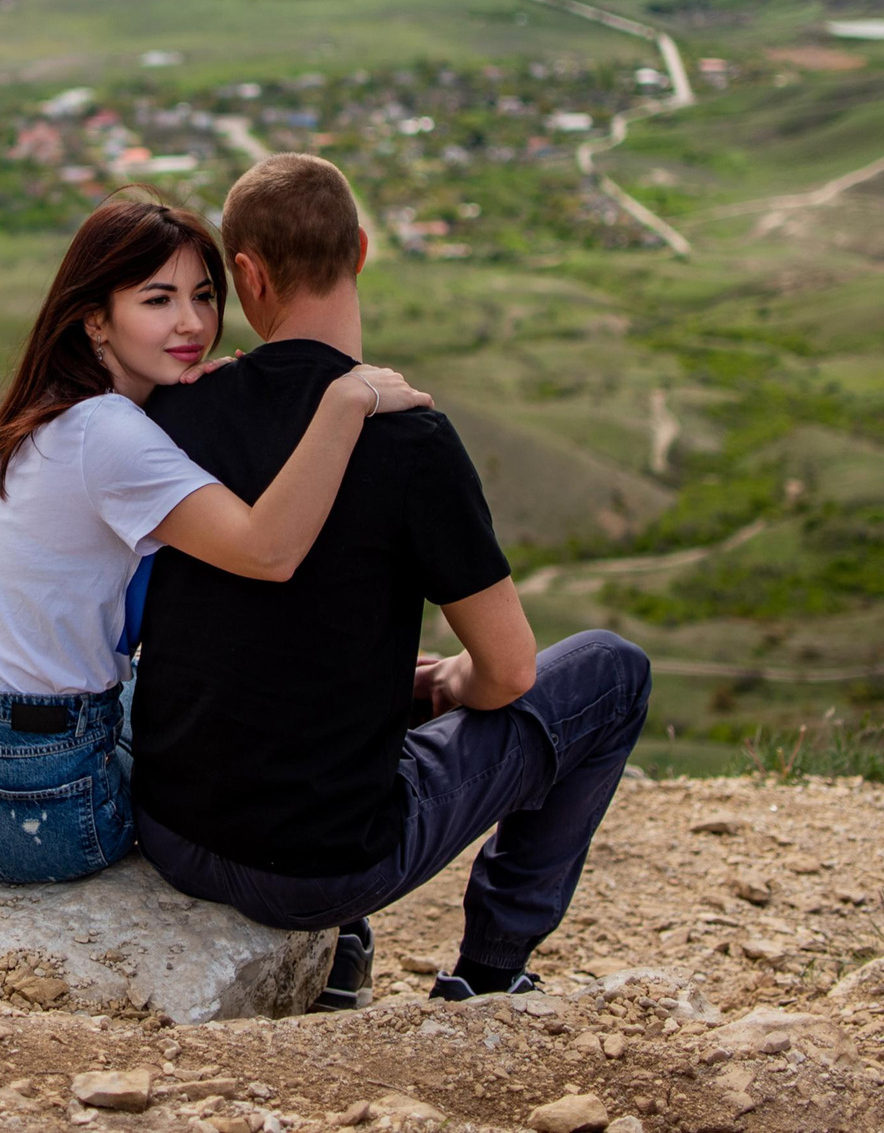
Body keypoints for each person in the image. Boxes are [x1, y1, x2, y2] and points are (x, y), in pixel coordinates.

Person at [132, 153, 651, 1006]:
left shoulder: (179, 406)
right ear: (362, 251)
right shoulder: (411, 438)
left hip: (171, 831)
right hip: (319, 870)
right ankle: (490, 972)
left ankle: (341, 957)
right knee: (612, 672)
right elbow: (510, 672)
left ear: (248, 274)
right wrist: (449, 681)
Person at [0, 194, 435, 885]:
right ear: (95, 318)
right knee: (246, 749)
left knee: (212, 701)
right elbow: (268, 551)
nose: (192, 323)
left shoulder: (61, 400)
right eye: (158, 300)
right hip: (31, 799)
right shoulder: (110, 435)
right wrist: (346, 400)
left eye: (204, 295)